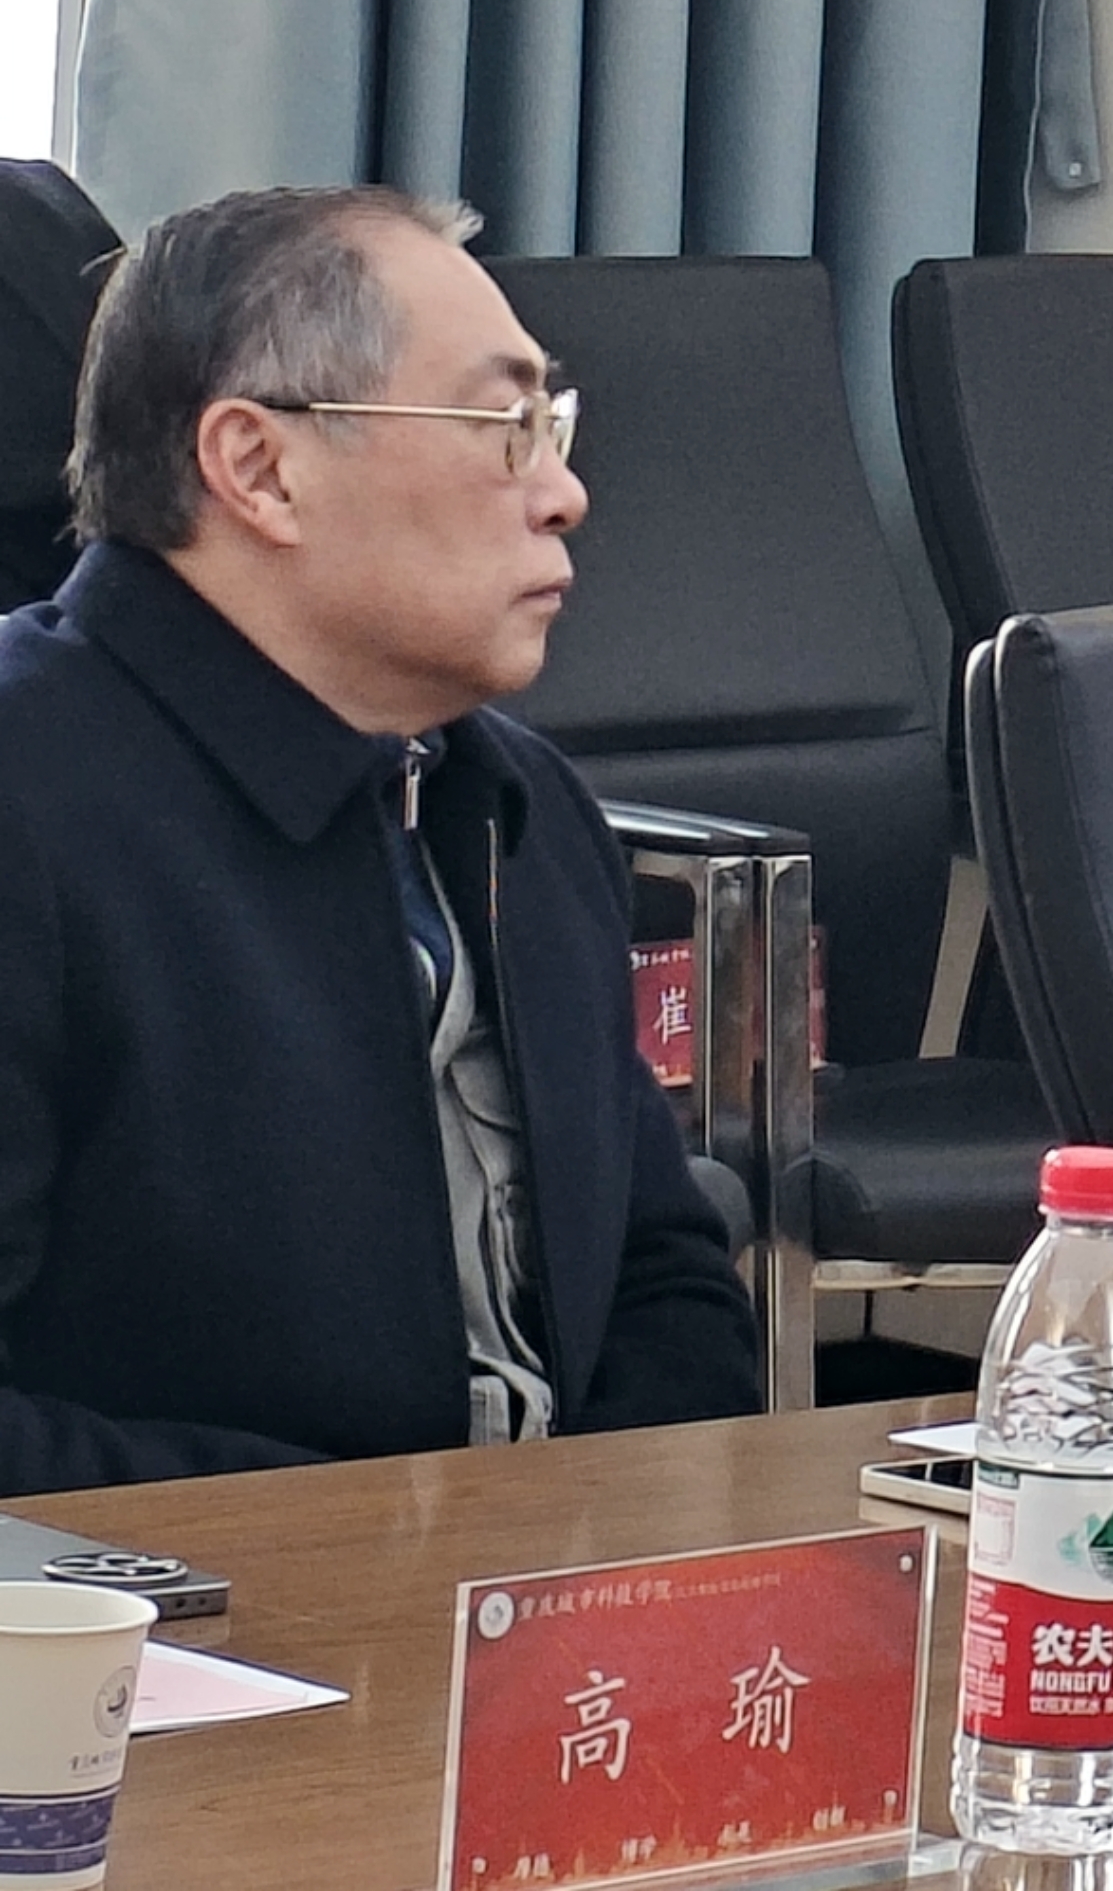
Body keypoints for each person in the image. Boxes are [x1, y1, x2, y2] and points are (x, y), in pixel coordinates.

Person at [0, 187, 760, 1493]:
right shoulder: (30, 797)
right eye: (503, 429)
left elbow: (662, 1274)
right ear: (261, 469)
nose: (566, 494)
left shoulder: (519, 802)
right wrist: (383, 1544)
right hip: (185, 1612)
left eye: (554, 427)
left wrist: (589, 1556)